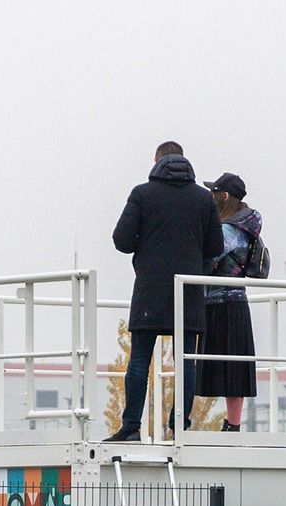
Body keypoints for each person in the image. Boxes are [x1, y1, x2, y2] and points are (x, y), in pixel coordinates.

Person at [107, 142, 224, 442]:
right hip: (188, 291)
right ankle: (179, 428)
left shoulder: (142, 194)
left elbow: (121, 240)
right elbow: (215, 247)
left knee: (139, 360)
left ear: (157, 161)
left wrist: (144, 241)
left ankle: (131, 426)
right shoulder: (202, 199)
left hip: (150, 290)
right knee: (186, 361)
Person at [197, 172, 262, 432]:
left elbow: (210, 255)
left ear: (224, 196)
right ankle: (232, 424)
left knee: (230, 366)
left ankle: (232, 426)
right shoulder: (244, 226)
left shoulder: (229, 229)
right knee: (234, 365)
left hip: (223, 301)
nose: (211, 197)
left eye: (214, 192)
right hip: (233, 302)